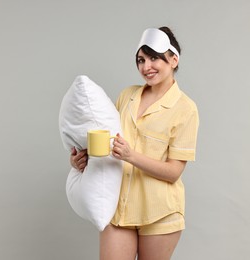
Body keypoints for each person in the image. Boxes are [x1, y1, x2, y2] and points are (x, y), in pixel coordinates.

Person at [70, 26, 199, 260]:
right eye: (141, 60)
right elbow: (111, 145)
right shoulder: (126, 96)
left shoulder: (185, 109)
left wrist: (131, 156)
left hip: (160, 214)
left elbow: (173, 172)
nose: (146, 66)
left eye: (154, 58)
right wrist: (83, 159)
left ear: (173, 59)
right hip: (119, 207)